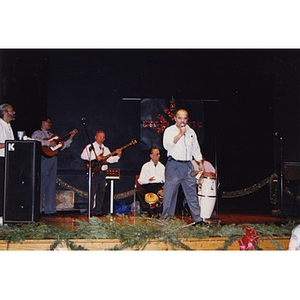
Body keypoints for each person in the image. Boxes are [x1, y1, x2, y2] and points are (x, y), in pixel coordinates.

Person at [161, 109, 205, 225]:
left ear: (187, 119)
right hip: (174, 165)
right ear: (175, 118)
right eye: (180, 118)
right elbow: (167, 145)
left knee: (192, 194)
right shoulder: (169, 131)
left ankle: (198, 220)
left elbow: (195, 148)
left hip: (188, 166)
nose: (182, 121)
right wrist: (180, 134)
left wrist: (200, 162)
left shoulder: (191, 132)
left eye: (184, 118)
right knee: (169, 195)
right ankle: (166, 221)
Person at [31, 116, 78, 215]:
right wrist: (48, 143)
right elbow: (35, 140)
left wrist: (71, 138)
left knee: (51, 184)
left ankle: (50, 209)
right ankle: (37, 210)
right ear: (43, 122)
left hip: (53, 159)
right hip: (43, 159)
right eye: (48, 122)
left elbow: (62, 145)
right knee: (42, 184)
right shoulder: (37, 133)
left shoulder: (53, 135)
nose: (50, 124)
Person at [81, 130, 122, 216]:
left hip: (102, 173)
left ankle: (98, 211)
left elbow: (109, 159)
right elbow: (83, 156)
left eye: (103, 137)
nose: (101, 139)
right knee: (92, 192)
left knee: (101, 192)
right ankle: (90, 210)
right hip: (94, 173)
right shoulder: (90, 146)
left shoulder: (105, 149)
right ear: (95, 137)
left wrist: (118, 156)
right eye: (100, 136)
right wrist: (96, 157)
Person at [136, 147, 165, 217]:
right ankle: (149, 211)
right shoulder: (146, 166)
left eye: (159, 154)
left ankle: (158, 212)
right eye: (156, 154)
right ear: (151, 156)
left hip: (158, 186)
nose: (159, 156)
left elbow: (165, 179)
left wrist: (165, 185)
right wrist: (148, 180)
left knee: (166, 193)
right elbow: (140, 180)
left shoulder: (162, 166)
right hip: (148, 185)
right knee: (139, 192)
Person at [0, 103, 16, 225]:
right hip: (1, 159)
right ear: (5, 112)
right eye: (11, 111)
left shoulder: (9, 126)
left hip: (9, 160)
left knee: (7, 189)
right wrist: (9, 144)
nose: (14, 112)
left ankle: (6, 216)